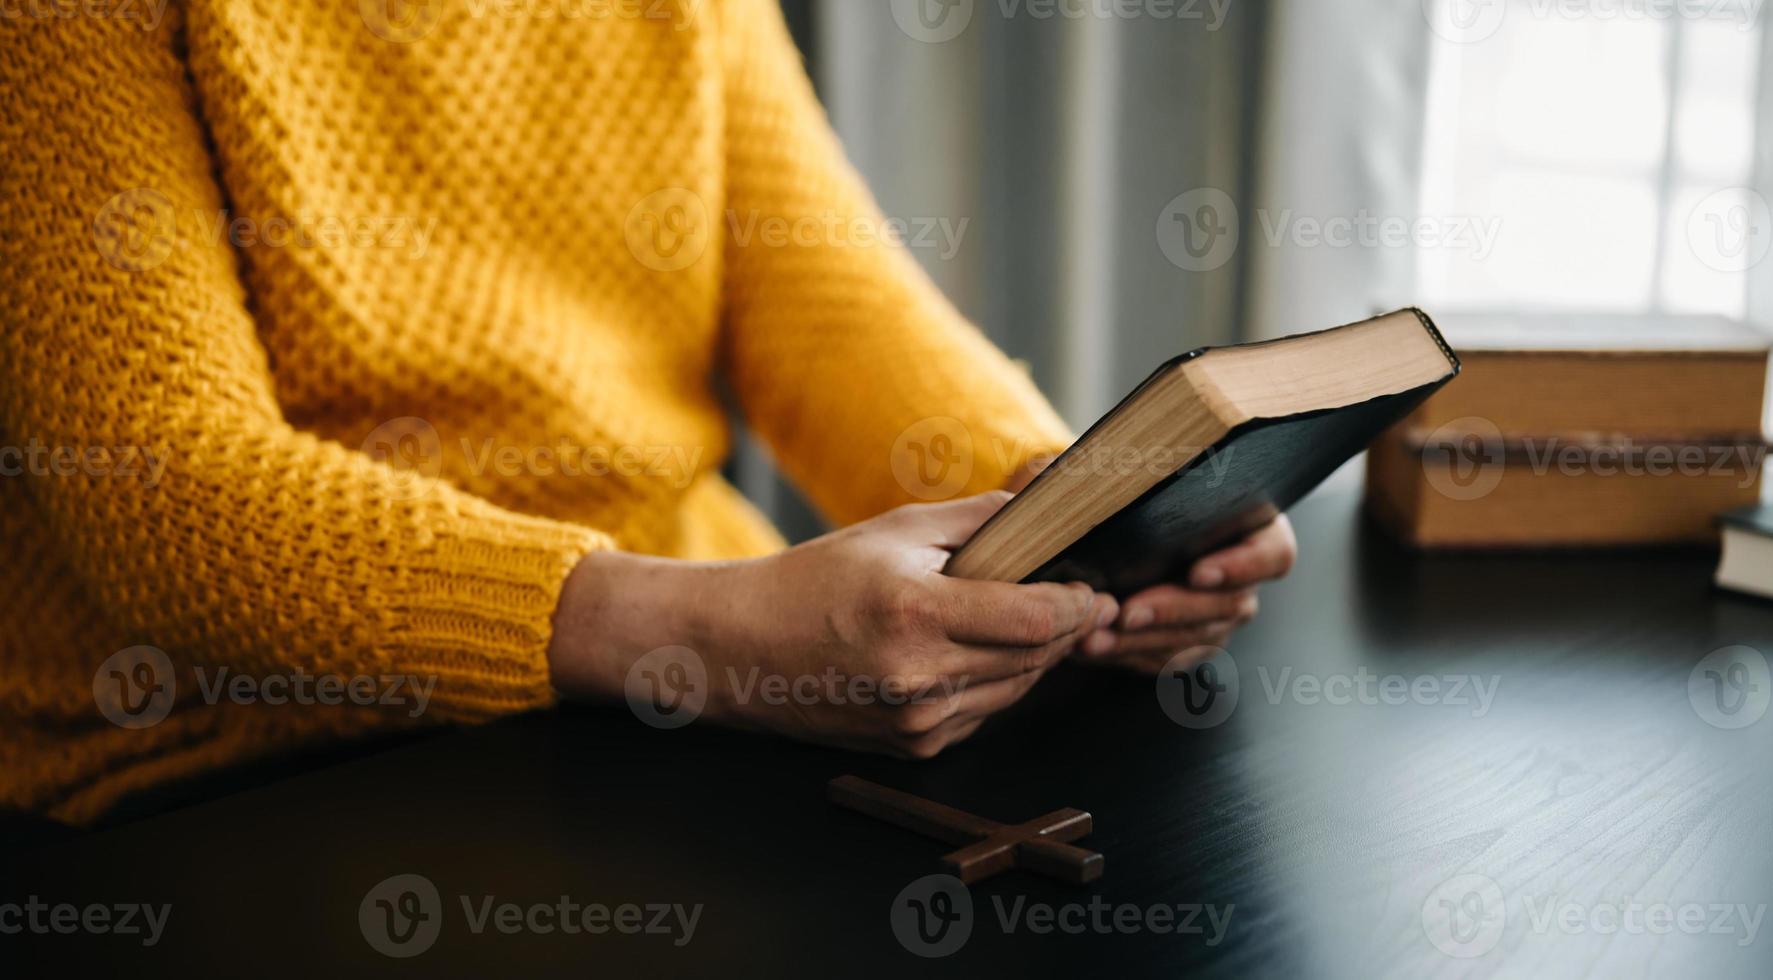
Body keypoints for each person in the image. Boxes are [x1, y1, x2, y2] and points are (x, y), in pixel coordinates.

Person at [0, 0, 1294, 826]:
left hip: (676, 686)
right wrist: (701, 632)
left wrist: (1084, 518)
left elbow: (837, 315)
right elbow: (160, 485)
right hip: (235, 757)